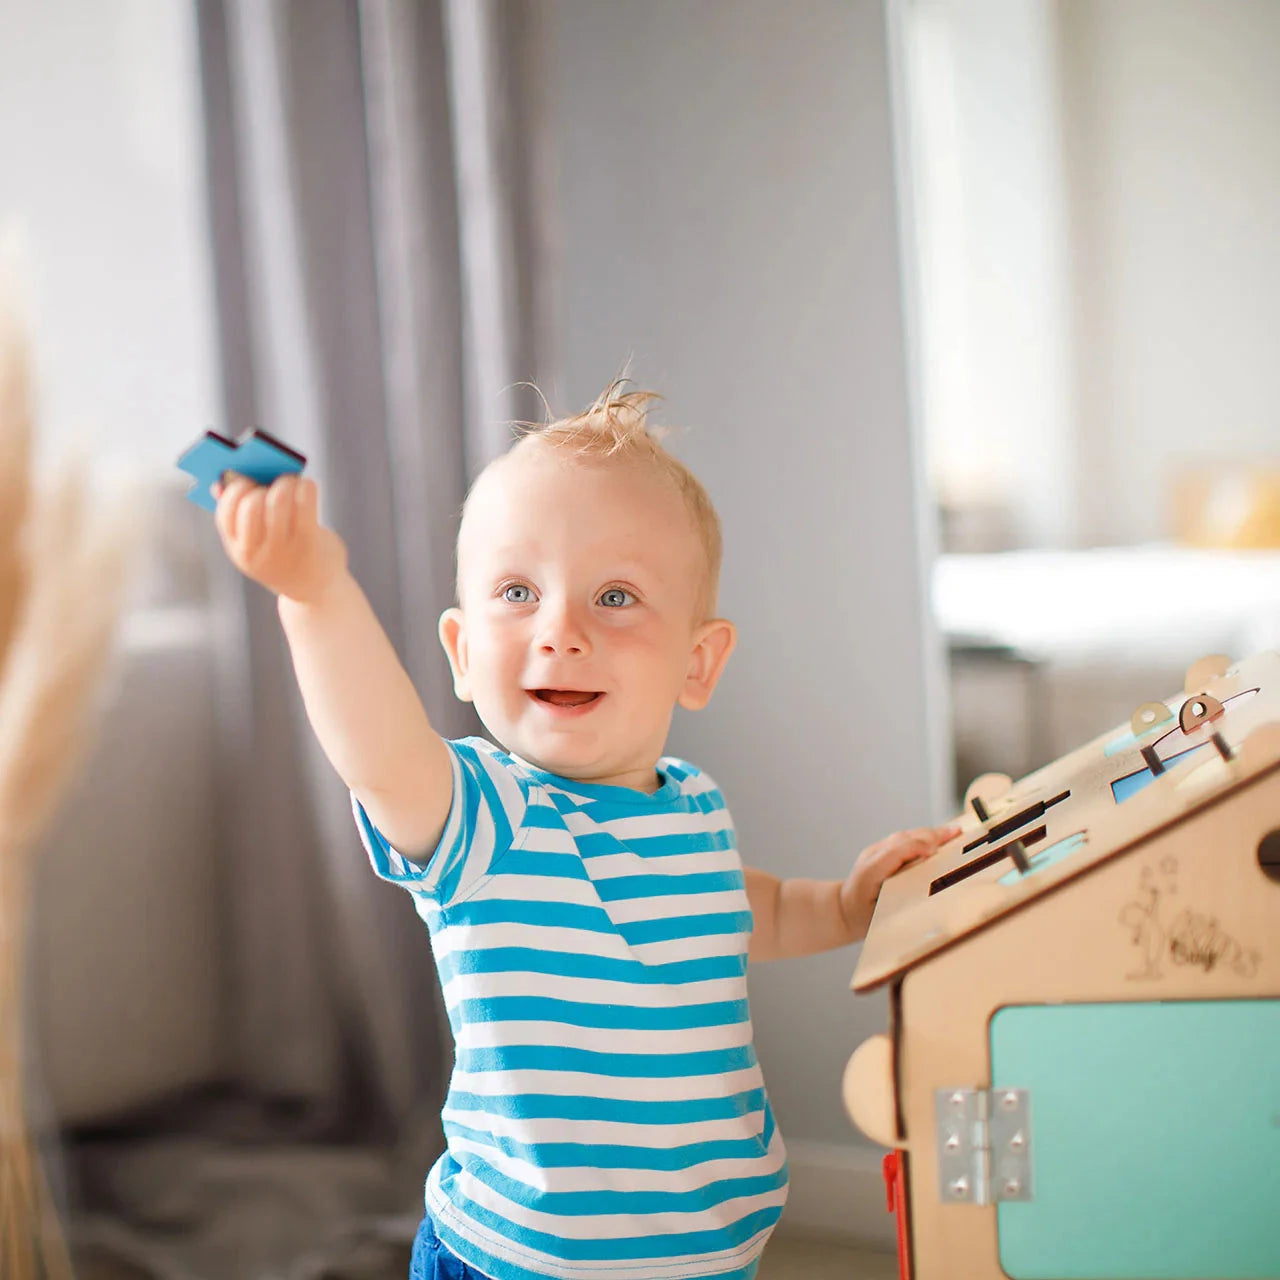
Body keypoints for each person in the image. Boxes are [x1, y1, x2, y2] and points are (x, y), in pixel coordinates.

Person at [212, 385, 957, 1280]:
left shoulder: (693, 806)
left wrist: (841, 905)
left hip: (708, 1253)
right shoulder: (485, 817)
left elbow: (734, 909)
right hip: (520, 1260)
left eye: (614, 596)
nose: (560, 630)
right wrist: (314, 594)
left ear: (698, 661)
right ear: (459, 653)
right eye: (518, 591)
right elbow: (374, 749)